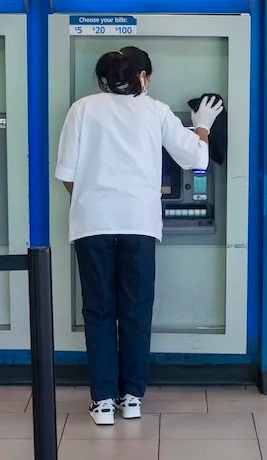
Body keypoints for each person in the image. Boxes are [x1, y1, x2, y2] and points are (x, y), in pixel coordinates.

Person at [55, 46, 223, 425]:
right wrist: (202, 126)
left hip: (92, 225)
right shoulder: (156, 111)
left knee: (98, 311)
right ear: (143, 76)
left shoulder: (82, 109)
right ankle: (132, 398)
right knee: (135, 310)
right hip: (140, 225)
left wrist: (92, 201)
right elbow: (196, 158)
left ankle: (102, 402)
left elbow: (67, 174)